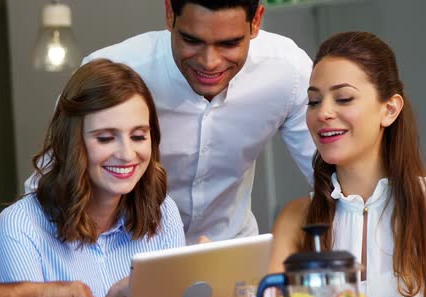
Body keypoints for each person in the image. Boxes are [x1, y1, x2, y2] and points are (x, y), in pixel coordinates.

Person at [25, 0, 316, 244]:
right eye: (192, 40)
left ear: (256, 22)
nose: (210, 62)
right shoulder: (115, 71)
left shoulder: (287, 71)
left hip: (229, 247)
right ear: (169, 14)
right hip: (127, 250)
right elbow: (51, 184)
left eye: (229, 43)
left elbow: (331, 180)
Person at [0, 59, 186, 297]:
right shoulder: (20, 226)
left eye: (139, 136)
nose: (127, 154)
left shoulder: (163, 213)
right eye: (106, 138)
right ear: (72, 142)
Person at [270, 31, 426, 297]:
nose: (323, 113)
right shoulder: (294, 219)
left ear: (390, 109)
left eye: (343, 98)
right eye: (314, 101)